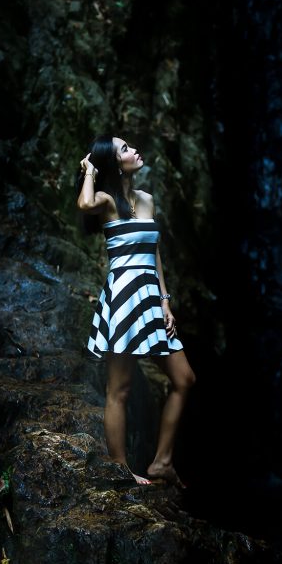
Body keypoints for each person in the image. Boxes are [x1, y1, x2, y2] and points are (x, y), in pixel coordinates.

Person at [76, 133, 196, 487]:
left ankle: (162, 462)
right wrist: (89, 169)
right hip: (124, 297)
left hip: (150, 299)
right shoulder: (107, 202)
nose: (134, 150)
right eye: (125, 149)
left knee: (184, 378)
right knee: (120, 390)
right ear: (115, 163)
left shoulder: (146, 199)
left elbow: (154, 253)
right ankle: (119, 466)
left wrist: (165, 301)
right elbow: (84, 204)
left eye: (130, 145)